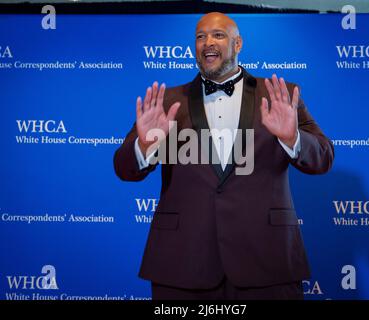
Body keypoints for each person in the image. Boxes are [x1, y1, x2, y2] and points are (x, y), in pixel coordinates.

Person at [114, 12, 334, 300]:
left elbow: (324, 157)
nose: (208, 43)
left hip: (267, 261)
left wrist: (291, 138)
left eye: (217, 35)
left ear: (238, 43)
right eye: (200, 36)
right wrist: (143, 147)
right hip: (182, 264)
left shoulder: (280, 95)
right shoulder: (167, 102)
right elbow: (124, 168)